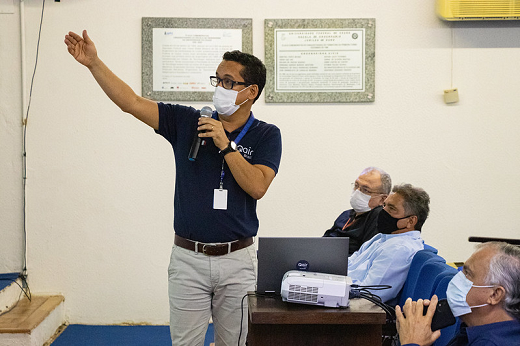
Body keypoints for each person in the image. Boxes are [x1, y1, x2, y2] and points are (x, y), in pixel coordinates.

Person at [64, 30, 282, 346]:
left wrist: (225, 144)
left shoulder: (266, 135)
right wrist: (94, 63)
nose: (219, 87)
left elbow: (258, 186)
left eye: (228, 82)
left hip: (238, 259)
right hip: (188, 258)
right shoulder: (187, 121)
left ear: (250, 92)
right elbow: (131, 102)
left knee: (235, 343)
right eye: (217, 79)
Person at [396, 242, 520, 346]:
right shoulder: (473, 330)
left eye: (467, 274)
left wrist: (412, 342)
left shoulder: (493, 343)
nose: (457, 278)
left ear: (494, 295)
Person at [348, 183, 430, 303]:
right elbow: (351, 262)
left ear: (411, 221)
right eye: (384, 205)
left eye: (391, 209)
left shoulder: (399, 249)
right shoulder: (383, 237)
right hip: (346, 290)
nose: (383, 211)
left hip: (357, 309)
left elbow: (369, 295)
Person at [323, 167, 391, 255]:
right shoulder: (346, 214)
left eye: (365, 190)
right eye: (356, 185)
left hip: (348, 266)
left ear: (382, 199)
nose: (357, 192)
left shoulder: (378, 217)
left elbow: (365, 256)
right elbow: (323, 242)